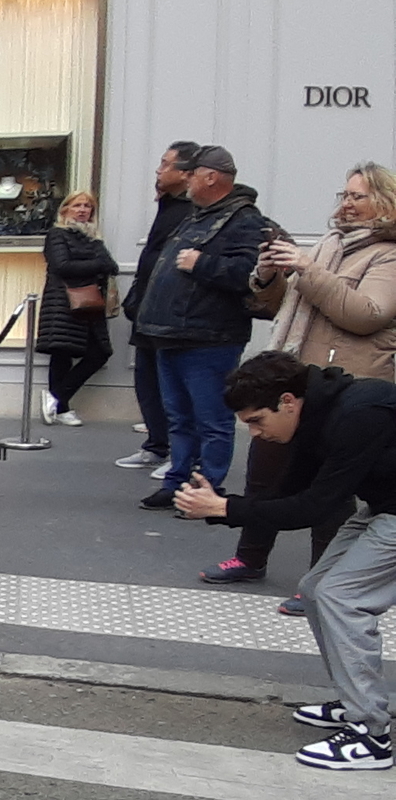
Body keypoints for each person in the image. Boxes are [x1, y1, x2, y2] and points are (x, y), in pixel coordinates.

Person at [175, 352, 396, 770]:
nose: (255, 433)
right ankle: (355, 701)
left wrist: (225, 509)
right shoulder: (314, 418)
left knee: (341, 598)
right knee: (315, 590)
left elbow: (314, 508)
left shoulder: (358, 414)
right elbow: (287, 496)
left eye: (257, 420)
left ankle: (370, 735)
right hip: (385, 505)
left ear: (289, 401)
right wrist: (223, 506)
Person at [202, 162, 396, 601]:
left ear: (384, 201)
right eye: (343, 195)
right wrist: (270, 273)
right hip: (293, 380)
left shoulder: (388, 253)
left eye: (357, 196)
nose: (345, 204)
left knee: (329, 492)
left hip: (346, 385)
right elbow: (276, 304)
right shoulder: (330, 244)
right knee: (264, 473)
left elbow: (367, 315)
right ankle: (250, 556)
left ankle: (319, 581)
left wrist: (307, 269)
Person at [135, 145, 269, 511]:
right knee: (178, 418)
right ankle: (177, 482)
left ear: (211, 177)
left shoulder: (244, 220)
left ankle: (205, 490)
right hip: (172, 334)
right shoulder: (196, 216)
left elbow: (251, 275)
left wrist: (203, 263)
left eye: (193, 173)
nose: (188, 179)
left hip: (210, 338)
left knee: (212, 420)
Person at [116, 142, 202, 474]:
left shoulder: (193, 211)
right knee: (147, 380)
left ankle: (182, 457)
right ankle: (156, 444)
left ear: (185, 173)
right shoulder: (167, 206)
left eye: (165, 165)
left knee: (174, 388)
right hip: (147, 311)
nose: (158, 170)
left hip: (171, 314)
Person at [38, 191, 118, 426]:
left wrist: (95, 264)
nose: (83, 210)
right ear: (65, 209)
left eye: (87, 206)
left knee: (100, 352)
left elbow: (111, 266)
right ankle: (61, 408)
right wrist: (96, 265)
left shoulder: (94, 237)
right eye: (77, 205)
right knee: (62, 352)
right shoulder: (57, 234)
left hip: (91, 302)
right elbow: (62, 265)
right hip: (63, 301)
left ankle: (56, 398)